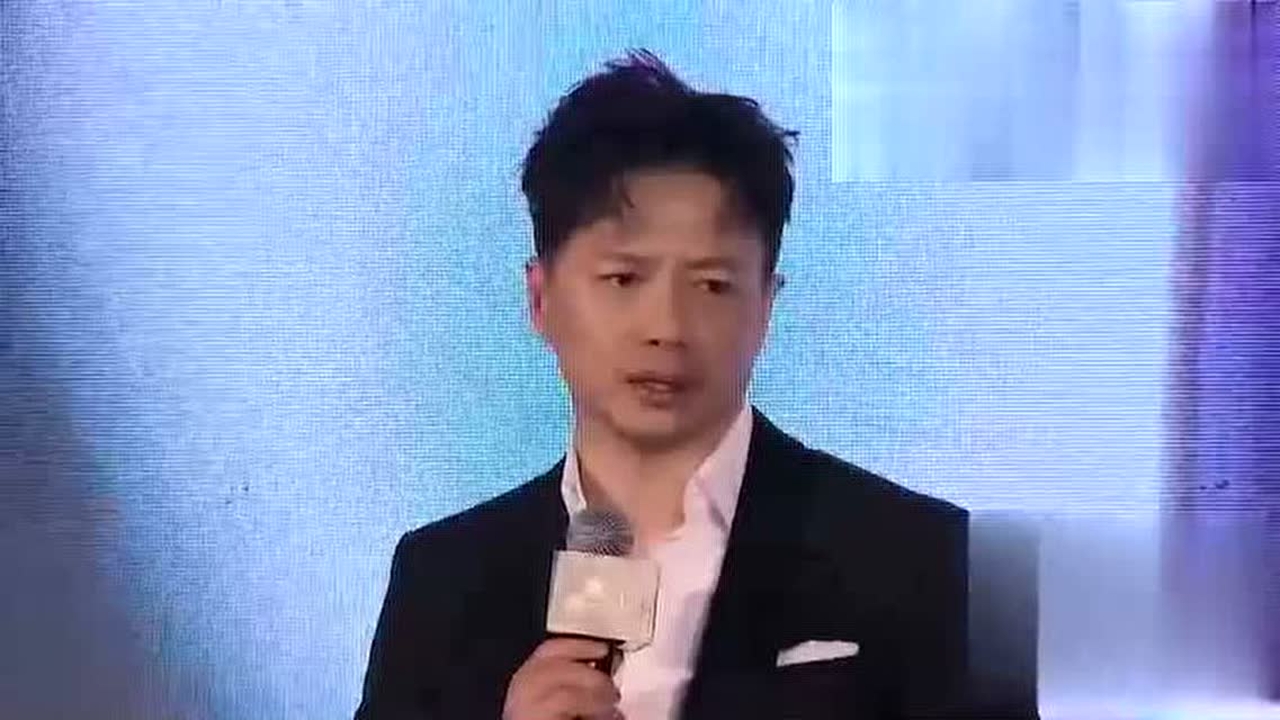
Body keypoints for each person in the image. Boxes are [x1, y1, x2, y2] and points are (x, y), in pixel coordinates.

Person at [355, 50, 976, 720]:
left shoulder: (919, 555)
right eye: (623, 279)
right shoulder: (441, 579)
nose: (667, 328)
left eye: (712, 285)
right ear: (540, 298)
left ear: (766, 306)